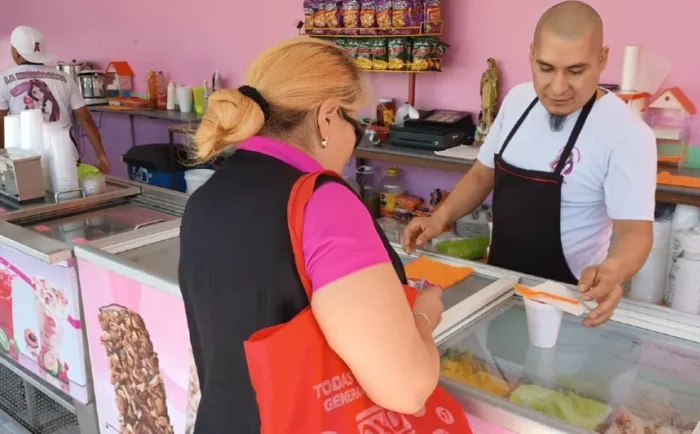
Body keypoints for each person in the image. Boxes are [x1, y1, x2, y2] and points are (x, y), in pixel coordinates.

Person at [178, 37, 458, 433]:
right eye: (355, 125)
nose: (353, 142)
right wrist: (424, 315)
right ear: (327, 117)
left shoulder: (205, 196)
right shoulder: (321, 201)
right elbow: (406, 388)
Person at [402, 0, 656, 327]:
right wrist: (439, 218)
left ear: (602, 59)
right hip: (497, 291)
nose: (559, 87)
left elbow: (635, 230)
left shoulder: (626, 134)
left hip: (567, 303)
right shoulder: (518, 101)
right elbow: (483, 174)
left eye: (576, 71)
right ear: (531, 54)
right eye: (545, 68)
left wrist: (614, 269)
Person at [0, 26, 110, 173]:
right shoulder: (65, 78)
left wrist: (3, 160)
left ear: (16, 53)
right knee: (69, 193)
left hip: (26, 162)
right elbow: (85, 118)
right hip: (65, 158)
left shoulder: (4, 80)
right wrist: (101, 154)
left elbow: (1, 125)